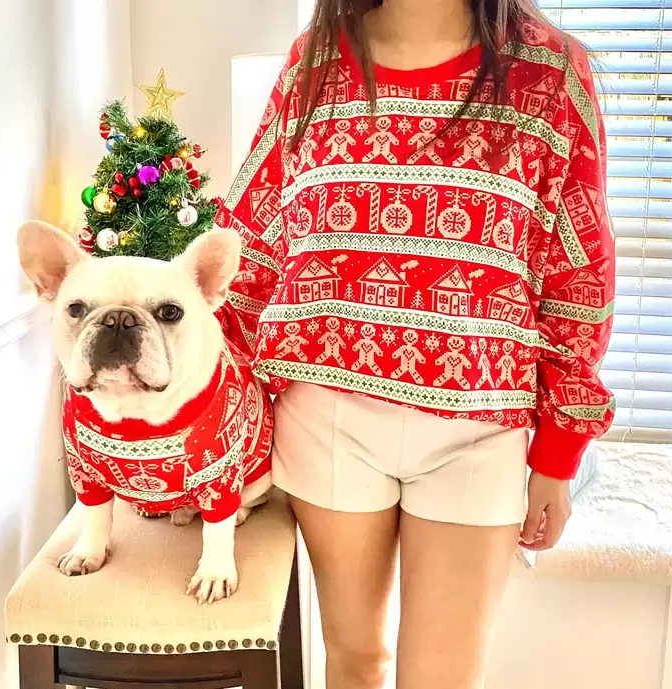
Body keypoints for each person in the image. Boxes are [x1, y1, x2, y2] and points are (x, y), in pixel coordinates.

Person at [214, 0, 615, 686]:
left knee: (443, 677)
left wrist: (559, 449)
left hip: (478, 428)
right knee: (355, 662)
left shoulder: (549, 72)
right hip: (327, 415)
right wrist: (213, 418)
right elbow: (254, 238)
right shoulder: (314, 62)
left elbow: (579, 268)